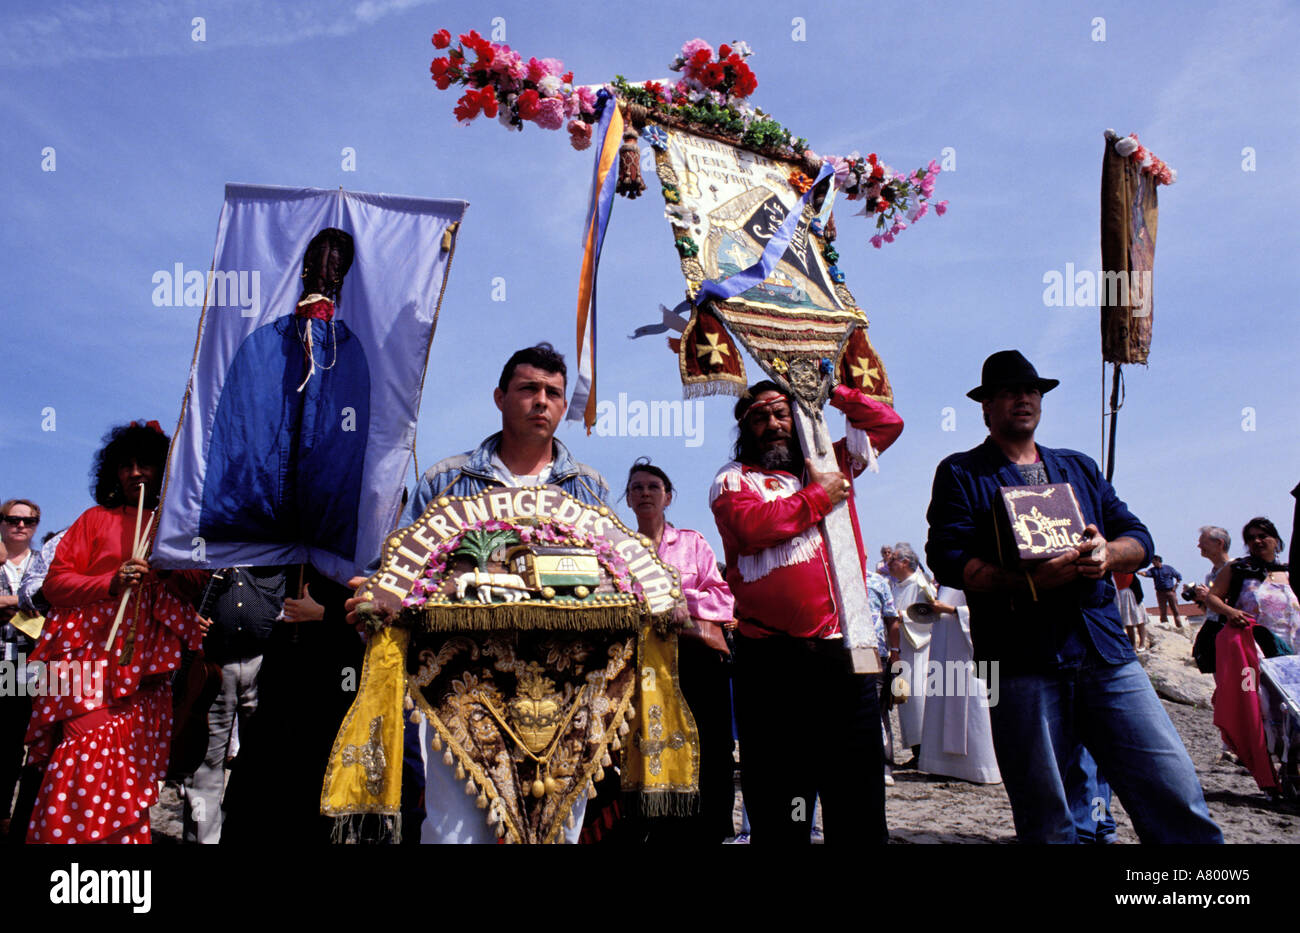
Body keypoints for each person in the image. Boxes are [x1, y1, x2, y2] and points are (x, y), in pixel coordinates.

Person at [925, 349, 1221, 843]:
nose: (1024, 398)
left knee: (1172, 789)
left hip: (1106, 651)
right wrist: (1027, 583)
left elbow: (1137, 536)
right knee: (1048, 813)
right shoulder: (961, 472)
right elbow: (947, 557)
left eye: (1032, 391)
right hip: (1019, 662)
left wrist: (1106, 555)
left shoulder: (1078, 467)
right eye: (1010, 391)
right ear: (986, 406)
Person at [346, 343, 611, 844]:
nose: (542, 401)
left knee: (555, 831)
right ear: (499, 397)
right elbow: (395, 570)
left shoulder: (589, 488)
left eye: (553, 393)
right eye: (529, 389)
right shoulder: (446, 480)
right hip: (463, 694)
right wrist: (377, 592)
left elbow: (615, 580)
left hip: (565, 693)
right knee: (457, 833)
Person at [710, 379, 903, 844]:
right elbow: (753, 527)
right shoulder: (731, 479)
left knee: (856, 798)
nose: (773, 425)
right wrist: (819, 497)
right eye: (760, 417)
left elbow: (887, 422)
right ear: (744, 428)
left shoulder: (830, 462)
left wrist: (825, 390)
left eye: (782, 414)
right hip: (772, 662)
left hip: (844, 657)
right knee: (780, 804)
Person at [26, 422, 208, 843]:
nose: (135, 473)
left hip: (148, 673)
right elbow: (54, 585)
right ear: (113, 473)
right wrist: (109, 582)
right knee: (82, 755)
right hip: (85, 664)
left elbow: (198, 586)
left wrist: (167, 565)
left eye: (145, 464)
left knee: (129, 768)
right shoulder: (93, 520)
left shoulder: (176, 528)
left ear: (163, 471)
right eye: (125, 465)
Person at [625, 458, 735, 843]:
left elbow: (722, 597)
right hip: (639, 664)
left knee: (705, 744)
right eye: (636, 487)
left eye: (653, 486)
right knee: (641, 743)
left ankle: (704, 831)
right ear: (627, 499)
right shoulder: (618, 549)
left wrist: (682, 602)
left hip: (694, 660)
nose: (644, 493)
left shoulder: (693, 542)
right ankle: (645, 825)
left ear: (668, 497)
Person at [179, 566, 284, 843]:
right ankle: (204, 840)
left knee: (266, 763)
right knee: (204, 762)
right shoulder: (208, 545)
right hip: (212, 665)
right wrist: (186, 617)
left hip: (266, 663)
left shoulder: (279, 547)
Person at [916, 587, 1001, 785]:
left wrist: (953, 610)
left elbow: (991, 611)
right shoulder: (946, 584)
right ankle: (940, 764)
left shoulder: (982, 576)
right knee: (941, 699)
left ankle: (980, 766)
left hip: (970, 653)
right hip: (944, 648)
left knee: (976, 702)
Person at [0, 499, 48, 839]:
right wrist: (26, 603)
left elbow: (55, 599)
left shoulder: (41, 562)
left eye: (29, 521)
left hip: (32, 662)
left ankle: (21, 824)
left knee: (32, 743)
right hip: (2, 658)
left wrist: (10, 603)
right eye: (14, 519)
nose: (21, 525)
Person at [885, 542, 935, 767]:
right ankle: (916, 751)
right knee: (903, 699)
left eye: (893, 559)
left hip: (918, 649)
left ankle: (925, 751)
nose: (889, 562)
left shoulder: (920, 584)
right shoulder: (896, 586)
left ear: (906, 562)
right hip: (900, 650)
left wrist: (902, 616)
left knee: (917, 699)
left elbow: (932, 613)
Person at [863, 564, 899, 786]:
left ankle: (885, 764)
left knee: (880, 709)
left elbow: (892, 618)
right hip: (843, 651)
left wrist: (895, 653)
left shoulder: (877, 582)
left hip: (875, 653)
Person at [1138, 555, 1183, 628]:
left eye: (1154, 562)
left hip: (1170, 591)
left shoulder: (1168, 568)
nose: (1153, 563)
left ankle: (1179, 627)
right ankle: (1165, 627)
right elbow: (1146, 574)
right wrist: (1140, 573)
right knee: (1163, 611)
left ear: (1158, 561)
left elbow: (1179, 576)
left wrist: (1175, 586)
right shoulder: (1153, 570)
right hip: (1160, 593)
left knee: (1175, 610)